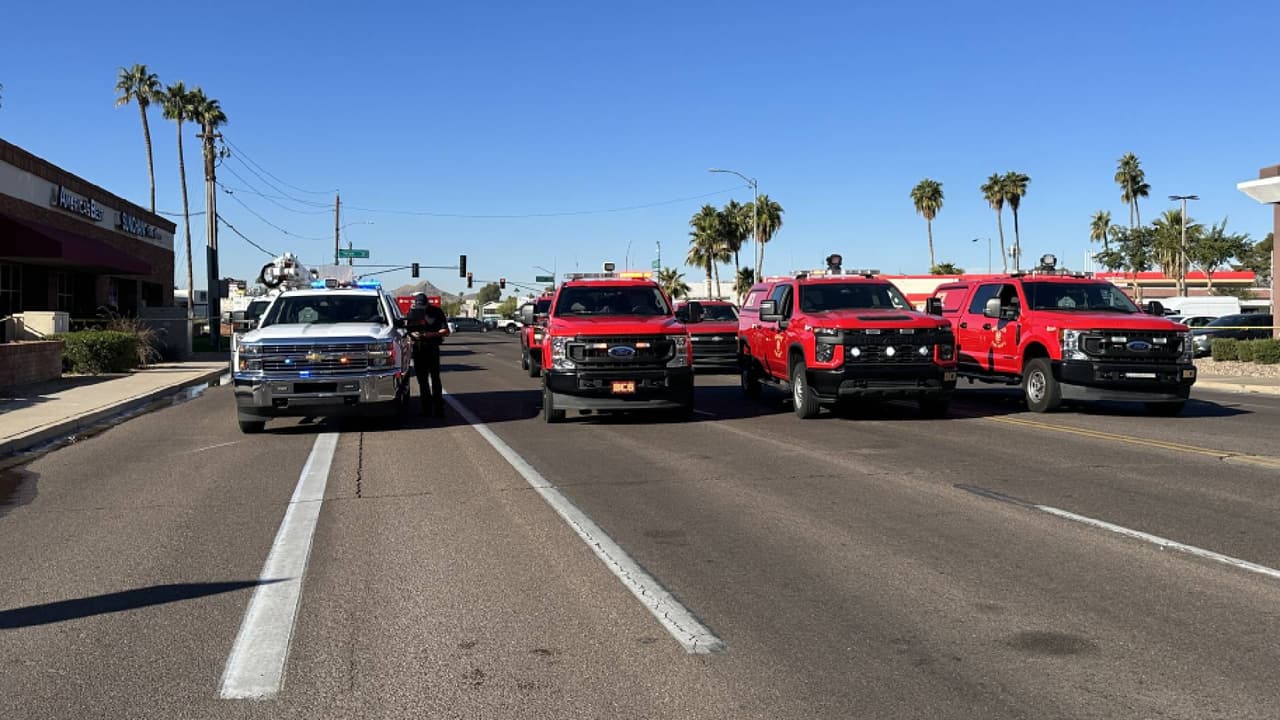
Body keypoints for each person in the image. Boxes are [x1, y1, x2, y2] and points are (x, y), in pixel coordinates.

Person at [405, 292, 450, 416]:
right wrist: (414, 335)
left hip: (432, 348)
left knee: (435, 379)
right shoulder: (412, 313)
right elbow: (408, 330)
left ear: (427, 304)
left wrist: (431, 334)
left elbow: (446, 330)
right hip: (418, 349)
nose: (421, 309)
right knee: (422, 380)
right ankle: (426, 409)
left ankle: (439, 408)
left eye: (423, 307)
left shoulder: (436, 312)